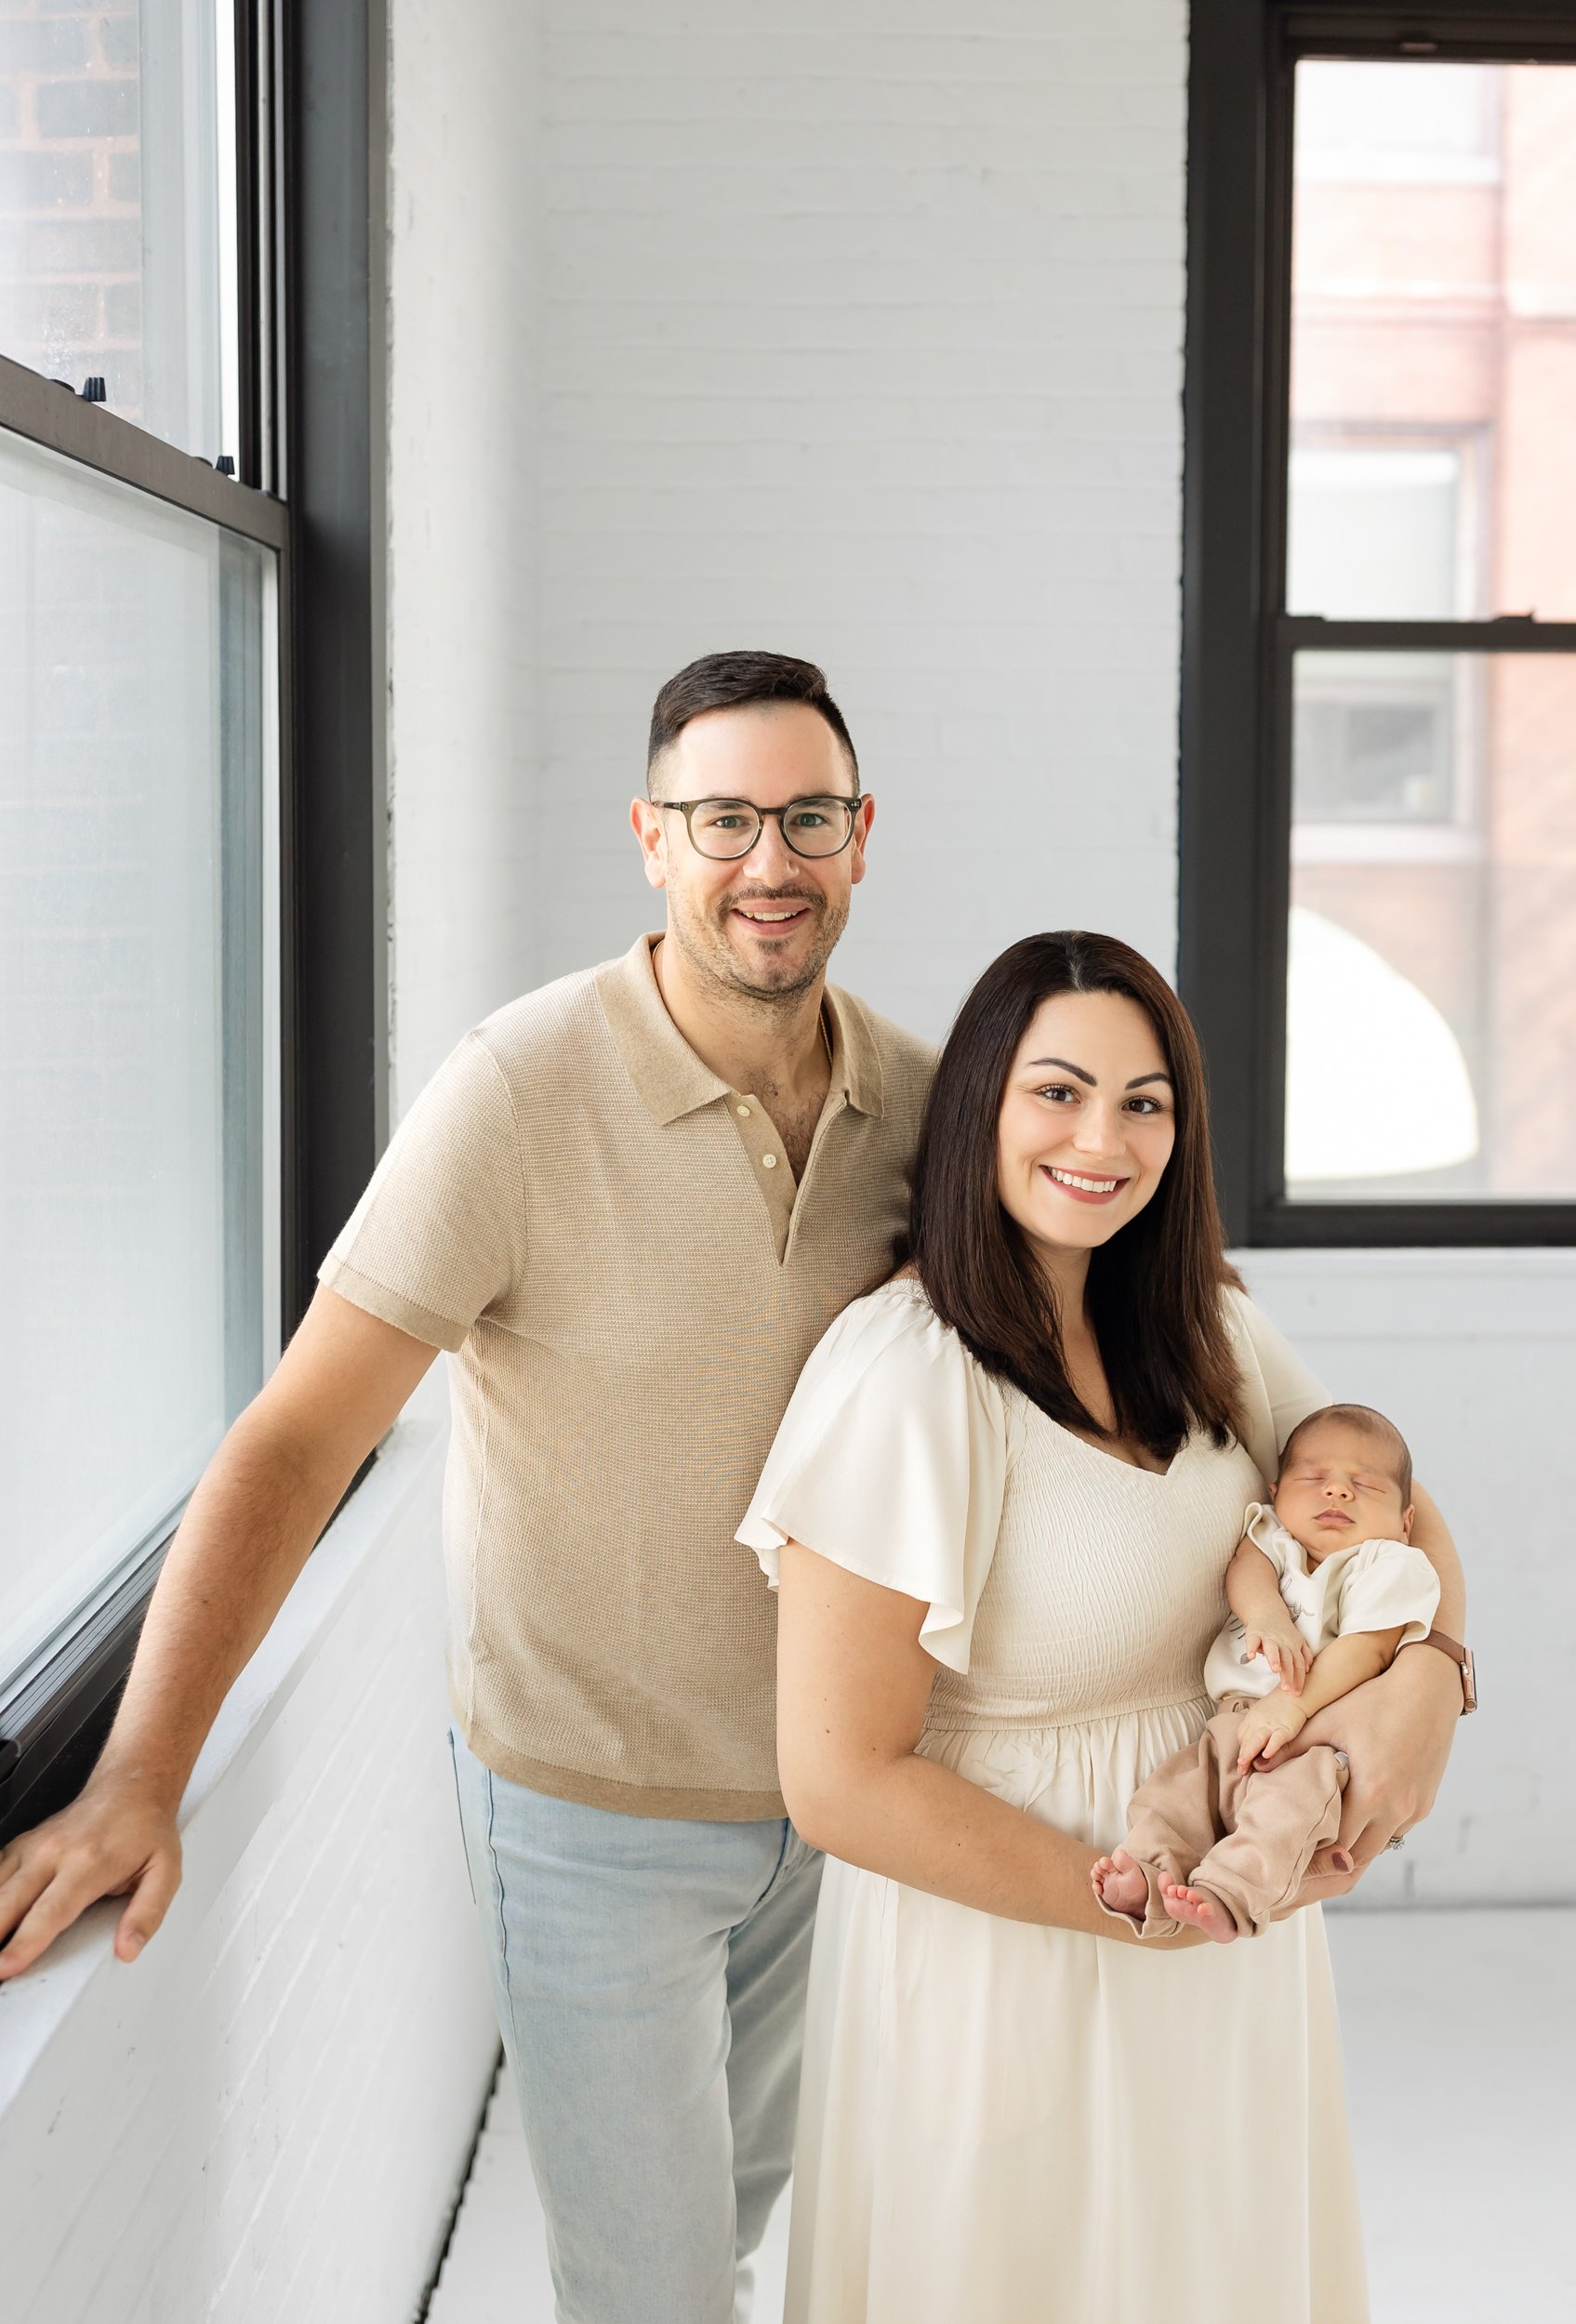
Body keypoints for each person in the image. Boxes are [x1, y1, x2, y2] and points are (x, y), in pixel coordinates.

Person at [0, 651, 935, 2324]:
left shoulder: (922, 1104)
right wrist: (136, 1775)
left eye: (807, 819)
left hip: (829, 1791)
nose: (769, 863)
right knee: (647, 2290)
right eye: (725, 819)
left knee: (729, 2228)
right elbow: (298, 1436)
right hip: (589, 1811)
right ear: (651, 838)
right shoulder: (516, 1090)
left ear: (864, 839)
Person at [736, 931, 1471, 2324]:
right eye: (1056, 1091)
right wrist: (1129, 1917)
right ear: (978, 1113)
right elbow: (836, 1780)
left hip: (1213, 1936)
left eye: (1144, 1102)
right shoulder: (905, 1377)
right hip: (1003, 1946)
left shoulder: (1203, 1330)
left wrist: (1431, 1675)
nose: (1101, 1137)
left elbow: (1391, 1504)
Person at [1093, 1402, 1446, 1944]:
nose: (1337, 1491)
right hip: (1231, 1725)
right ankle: (1149, 1873)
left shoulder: (1389, 1564)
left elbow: (1368, 1649)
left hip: (1314, 1744)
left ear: (1405, 1522)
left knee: (1284, 1819)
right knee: (1177, 1794)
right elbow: (1248, 1570)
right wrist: (1266, 1618)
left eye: (1365, 1485)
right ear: (1278, 1493)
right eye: (1315, 1478)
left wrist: (1294, 1704)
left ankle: (1228, 1894)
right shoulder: (1275, 1540)